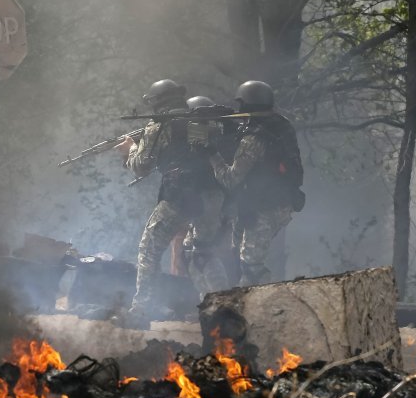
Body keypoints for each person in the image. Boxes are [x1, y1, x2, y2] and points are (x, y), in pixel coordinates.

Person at [113, 80, 228, 328]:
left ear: (156, 102)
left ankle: (141, 312)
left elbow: (141, 165)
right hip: (213, 194)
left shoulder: (159, 125)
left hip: (181, 194)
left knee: (149, 250)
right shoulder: (203, 122)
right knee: (202, 250)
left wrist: (130, 149)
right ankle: (223, 310)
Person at [200, 80, 304, 286]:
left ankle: (279, 303)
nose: (240, 110)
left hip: (267, 207)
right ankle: (244, 305)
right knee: (239, 255)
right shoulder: (278, 125)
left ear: (249, 105)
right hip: (274, 202)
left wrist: (211, 153)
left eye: (242, 105)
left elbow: (230, 179)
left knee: (251, 265)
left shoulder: (254, 138)